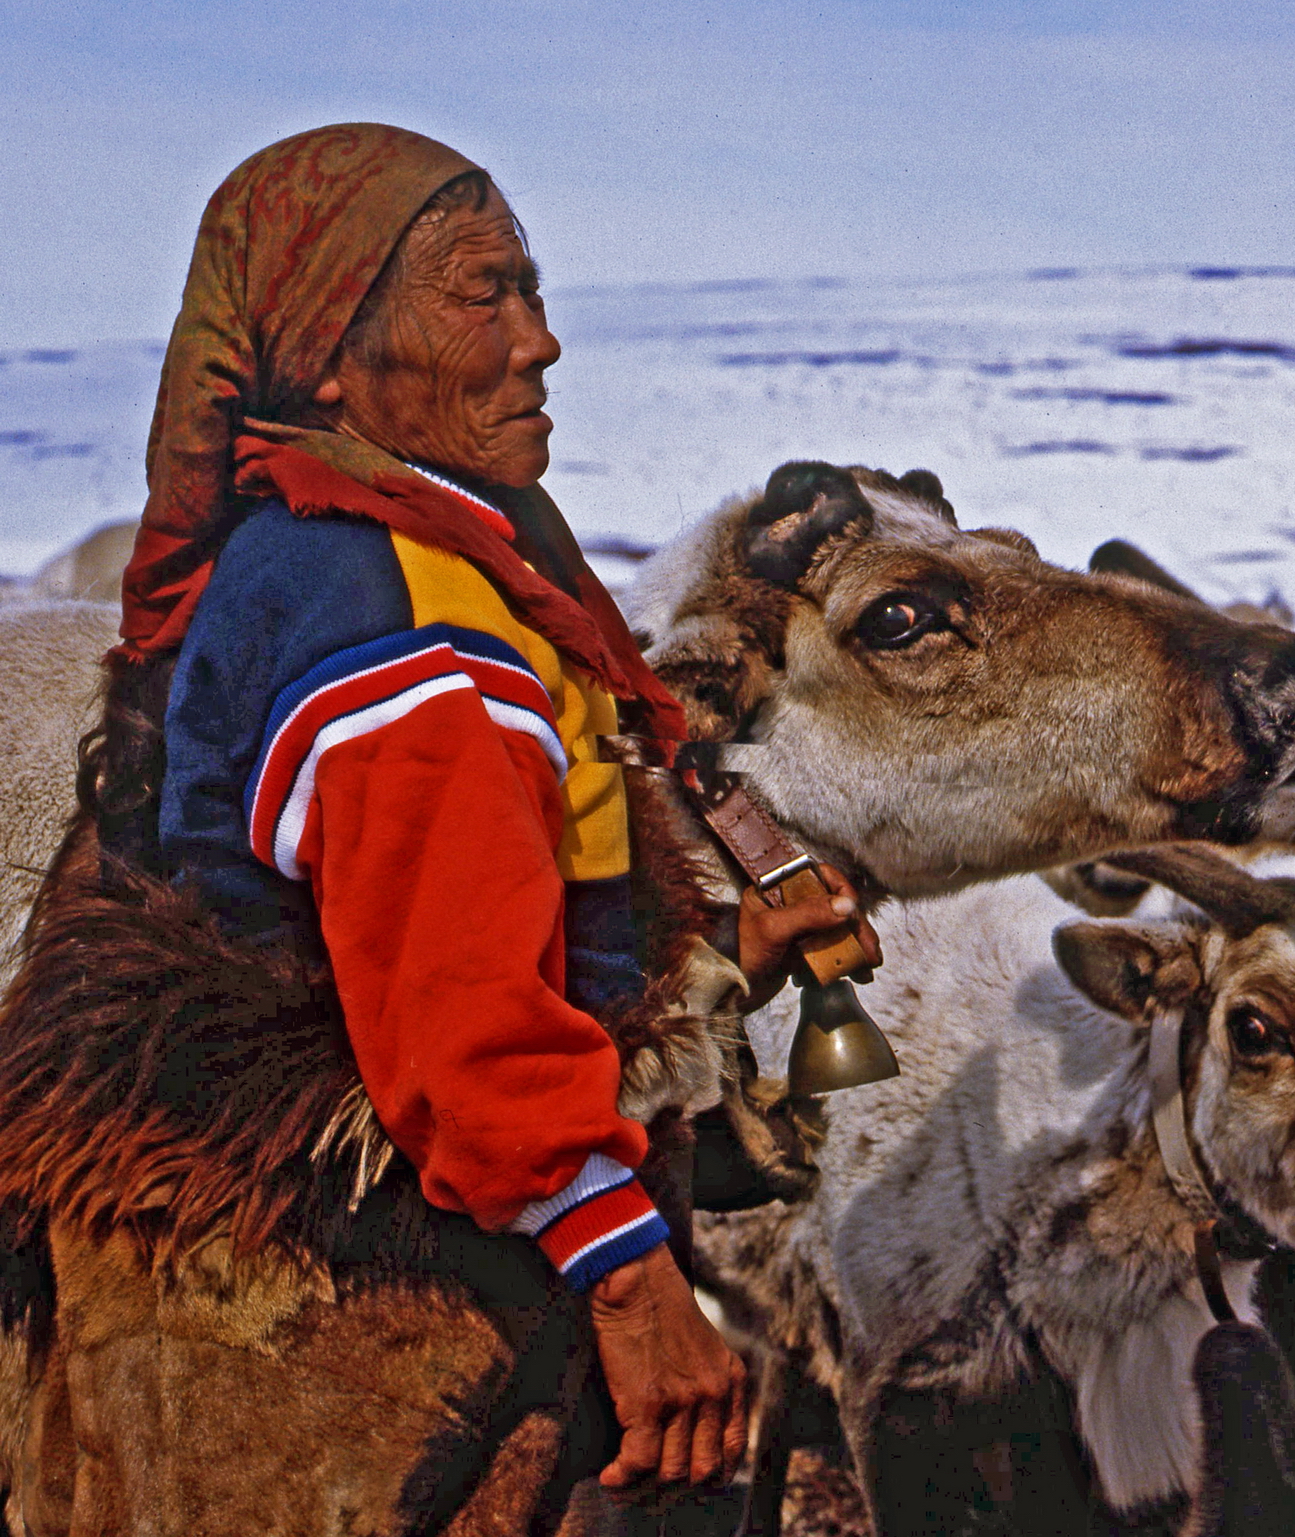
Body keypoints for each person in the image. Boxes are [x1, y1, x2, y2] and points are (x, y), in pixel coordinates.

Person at [0, 122, 877, 1525]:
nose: (541, 343)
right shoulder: (399, 620)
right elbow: (459, 1019)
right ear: (332, 358)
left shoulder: (345, 548)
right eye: (485, 295)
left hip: (271, 1244)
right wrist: (636, 1285)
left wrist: (712, 944)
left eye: (533, 290)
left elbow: (456, 905)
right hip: (358, 1317)